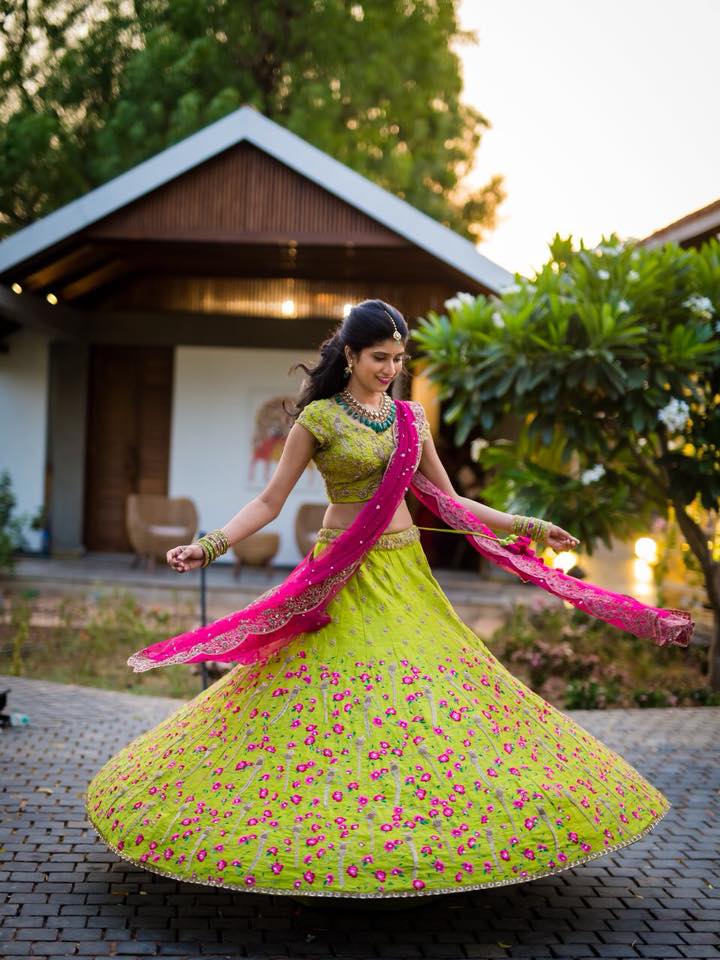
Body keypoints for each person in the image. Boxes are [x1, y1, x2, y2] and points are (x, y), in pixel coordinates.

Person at [85, 299, 692, 900]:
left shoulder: (410, 418)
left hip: (404, 572)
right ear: (349, 354)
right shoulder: (319, 419)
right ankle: (320, 830)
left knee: (432, 690)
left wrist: (529, 526)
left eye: (398, 359)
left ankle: (424, 828)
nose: (390, 369)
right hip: (340, 573)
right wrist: (210, 544)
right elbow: (269, 502)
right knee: (327, 694)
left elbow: (449, 503)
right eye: (380, 357)